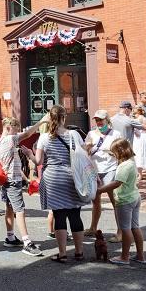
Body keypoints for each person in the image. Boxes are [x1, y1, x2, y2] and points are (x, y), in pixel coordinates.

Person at [34, 105, 87, 263]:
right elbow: (84, 155)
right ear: (64, 118)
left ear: (50, 118)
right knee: (75, 215)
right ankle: (79, 252)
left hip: (53, 178)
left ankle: (62, 253)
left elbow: (39, 161)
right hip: (71, 177)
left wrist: (30, 154)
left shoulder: (44, 137)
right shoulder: (73, 135)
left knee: (59, 215)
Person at [0, 116, 46, 256]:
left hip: (6, 180)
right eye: (16, 129)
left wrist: (26, 179)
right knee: (20, 210)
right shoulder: (10, 139)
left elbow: (11, 165)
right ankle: (27, 242)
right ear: (9, 128)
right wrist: (41, 123)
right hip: (12, 182)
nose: (17, 133)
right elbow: (28, 134)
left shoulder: (0, 142)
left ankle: (10, 237)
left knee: (9, 208)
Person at [96, 139, 146, 266]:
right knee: (135, 227)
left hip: (125, 200)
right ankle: (140, 256)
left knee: (125, 229)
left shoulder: (124, 166)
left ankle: (124, 257)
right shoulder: (131, 162)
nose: (113, 156)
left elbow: (117, 182)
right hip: (135, 197)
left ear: (120, 151)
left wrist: (100, 190)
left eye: (114, 153)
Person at [83, 109, 123, 238]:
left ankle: (120, 231)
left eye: (101, 119)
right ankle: (93, 228)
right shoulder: (91, 134)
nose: (99, 122)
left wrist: (113, 152)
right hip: (94, 170)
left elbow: (123, 151)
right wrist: (87, 148)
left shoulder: (116, 134)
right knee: (96, 201)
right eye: (97, 120)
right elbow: (85, 152)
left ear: (107, 120)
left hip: (110, 168)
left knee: (114, 200)